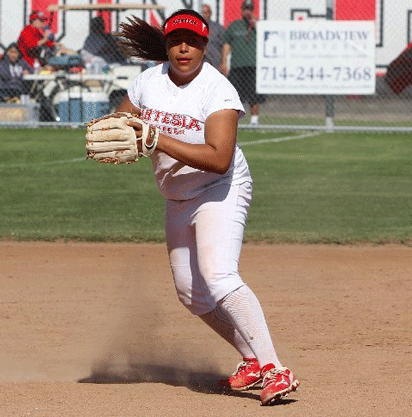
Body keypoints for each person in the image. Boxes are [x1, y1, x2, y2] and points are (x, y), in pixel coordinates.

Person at [113, 9, 299, 406]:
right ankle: (250, 360)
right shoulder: (149, 80)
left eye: (193, 41)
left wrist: (154, 138)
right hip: (177, 194)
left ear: (204, 45)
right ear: (166, 45)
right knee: (191, 294)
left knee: (218, 275)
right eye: (176, 40)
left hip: (220, 187)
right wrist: (113, 131)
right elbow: (122, 121)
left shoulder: (219, 91)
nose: (184, 48)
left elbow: (218, 158)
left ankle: (275, 369)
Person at [220, 0, 265, 125]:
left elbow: (266, 36)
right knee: (233, 94)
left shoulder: (258, 25)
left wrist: (254, 22)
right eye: (245, 8)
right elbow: (227, 44)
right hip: (237, 65)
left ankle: (254, 120)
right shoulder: (234, 25)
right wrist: (224, 61)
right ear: (241, 10)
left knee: (254, 96)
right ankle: (233, 120)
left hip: (253, 65)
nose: (247, 11)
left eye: (250, 9)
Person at [201, 3, 225, 69]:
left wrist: (223, 62)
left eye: (207, 13)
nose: (204, 15)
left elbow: (224, 47)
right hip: (200, 63)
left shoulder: (218, 28)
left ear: (210, 14)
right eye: (203, 13)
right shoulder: (194, 28)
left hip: (215, 63)